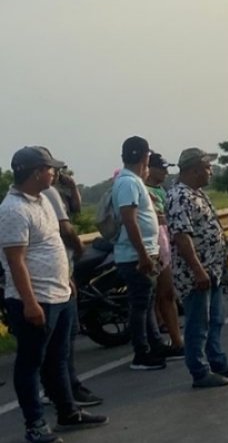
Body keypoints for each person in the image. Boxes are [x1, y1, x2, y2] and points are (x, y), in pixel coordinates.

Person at [2, 147, 108, 443]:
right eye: (51, 169)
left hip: (59, 292)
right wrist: (30, 302)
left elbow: (53, 243)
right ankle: (35, 425)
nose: (56, 174)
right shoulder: (12, 210)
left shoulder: (43, 201)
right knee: (31, 363)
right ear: (36, 171)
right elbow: (16, 261)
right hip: (36, 299)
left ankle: (67, 413)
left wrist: (67, 279)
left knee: (58, 359)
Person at [166, 148, 228, 388]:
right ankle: (199, 371)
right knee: (198, 324)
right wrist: (198, 269)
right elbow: (182, 237)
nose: (211, 171)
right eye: (207, 167)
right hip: (196, 273)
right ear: (194, 170)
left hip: (212, 269)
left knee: (215, 319)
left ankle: (217, 360)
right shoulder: (180, 196)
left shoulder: (197, 193)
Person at [40, 167, 101, 409]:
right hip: (56, 274)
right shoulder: (49, 193)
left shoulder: (47, 194)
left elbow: (75, 209)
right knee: (63, 338)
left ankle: (59, 389)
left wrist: (72, 186)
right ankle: (68, 389)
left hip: (58, 272)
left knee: (56, 339)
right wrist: (79, 248)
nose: (56, 173)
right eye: (53, 169)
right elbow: (66, 227)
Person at [112, 136, 172, 370]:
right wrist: (143, 255)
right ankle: (142, 352)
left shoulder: (133, 181)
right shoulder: (128, 182)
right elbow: (129, 219)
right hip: (136, 255)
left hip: (143, 252)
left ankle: (154, 344)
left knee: (146, 304)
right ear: (143, 157)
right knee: (139, 305)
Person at [145, 153, 184, 355]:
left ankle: (173, 337)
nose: (165, 172)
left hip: (166, 246)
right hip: (155, 248)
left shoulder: (160, 190)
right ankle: (173, 341)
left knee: (166, 295)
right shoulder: (145, 191)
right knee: (162, 295)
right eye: (162, 168)